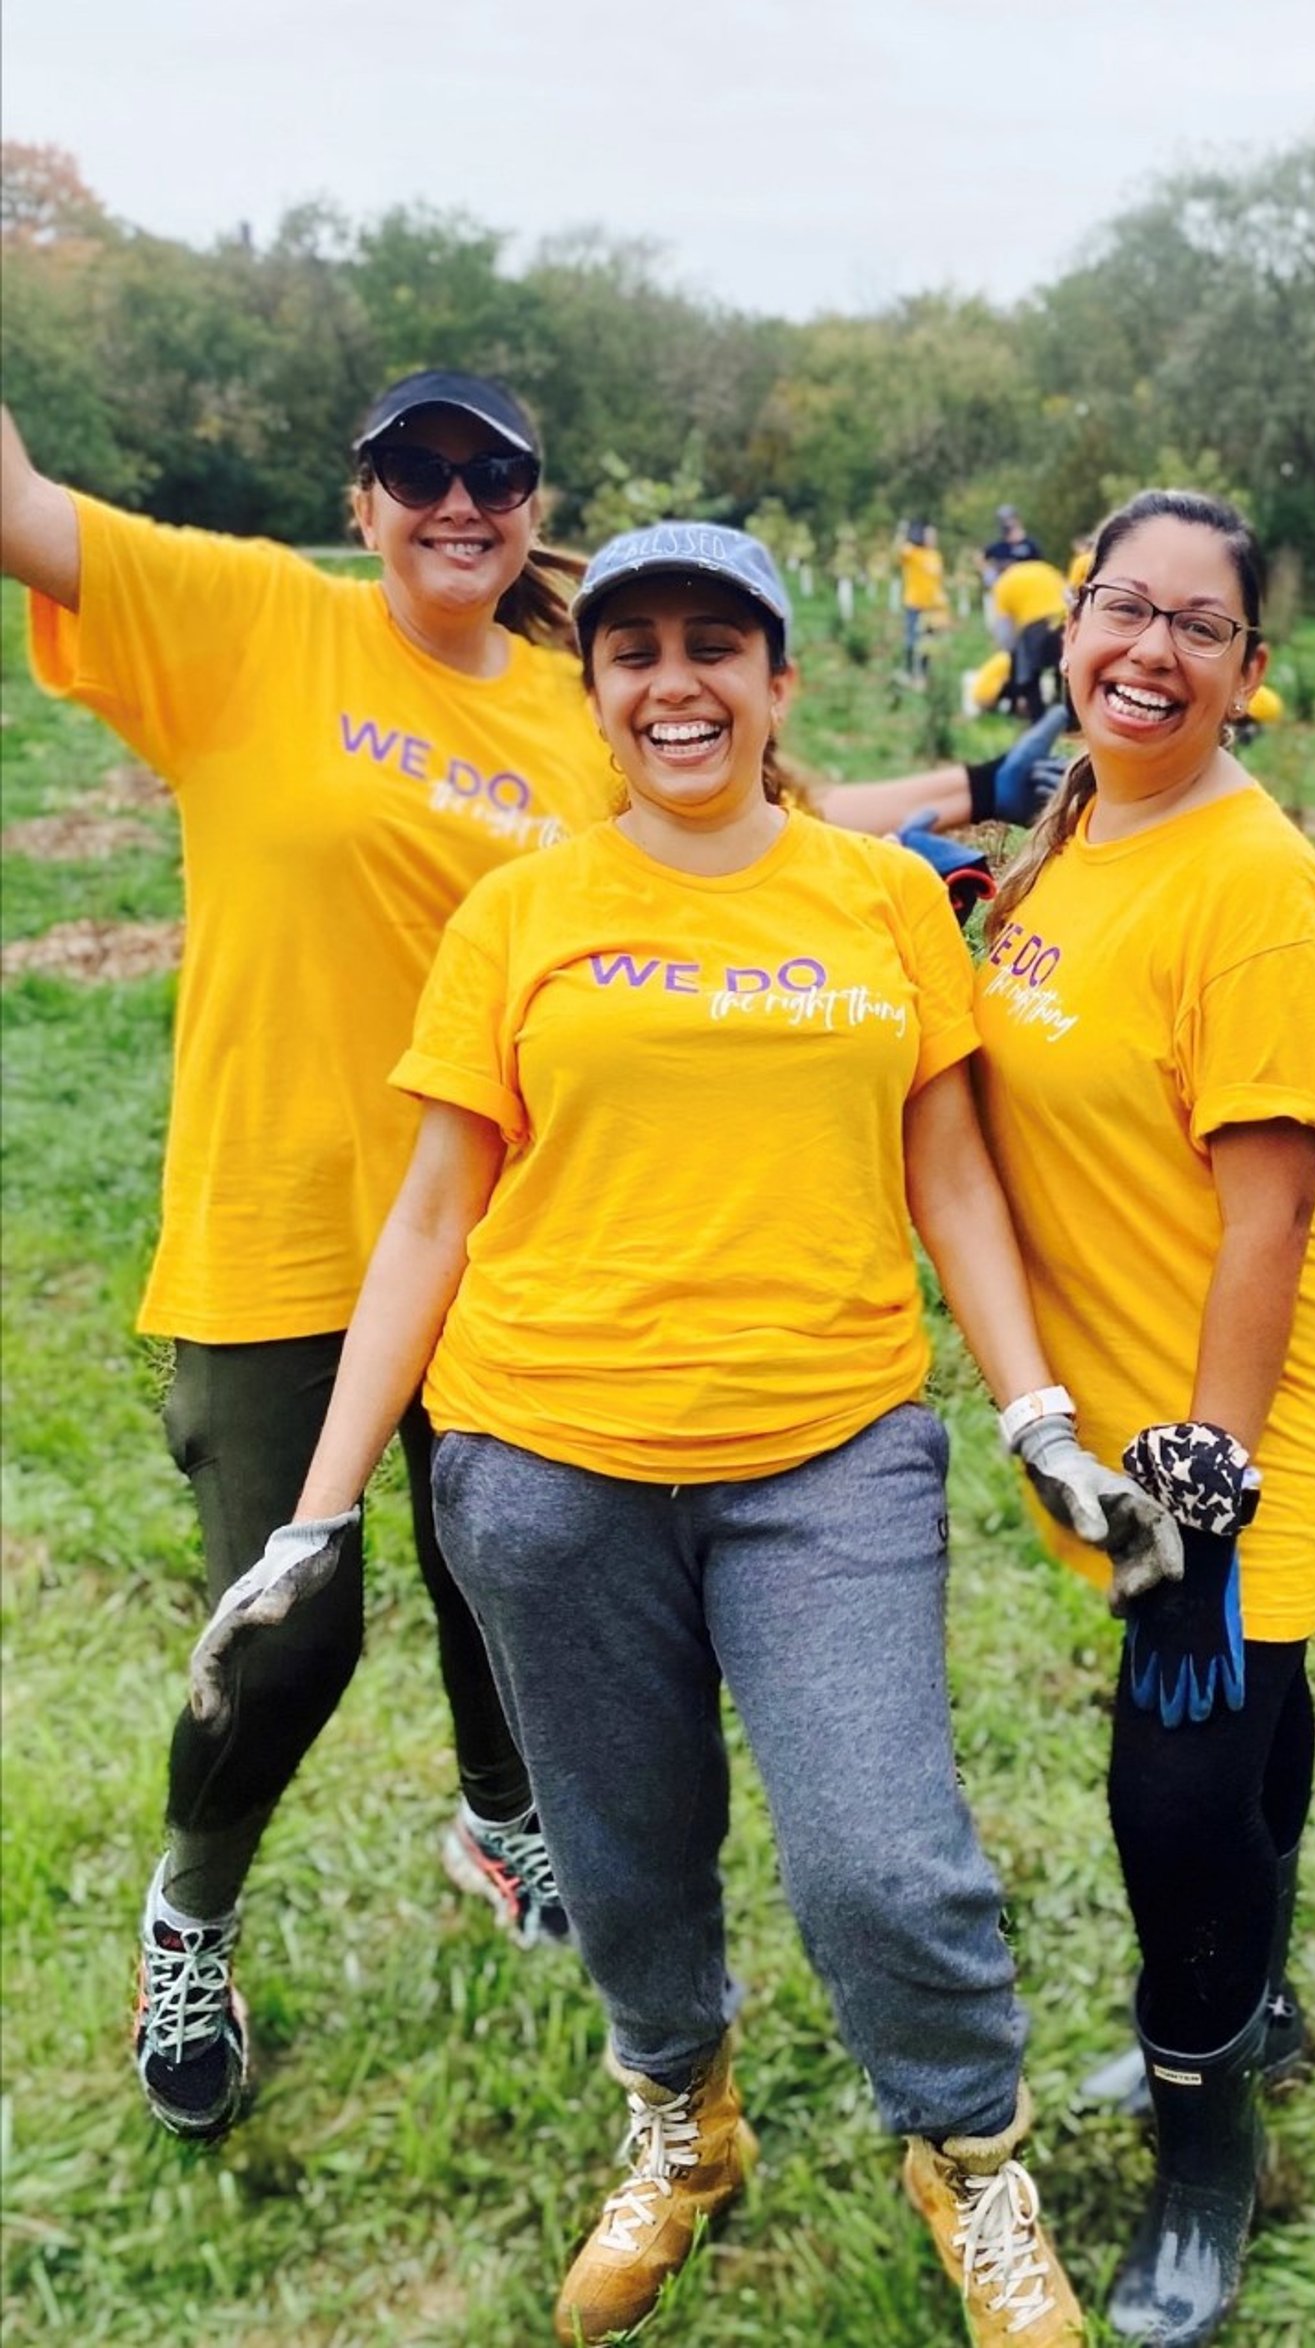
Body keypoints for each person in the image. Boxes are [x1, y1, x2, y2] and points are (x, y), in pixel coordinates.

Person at [0, 391, 1070, 2145]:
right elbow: (20, 502)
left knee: (516, 1572)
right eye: (416, 470)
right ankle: (189, 1912)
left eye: (493, 473)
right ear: (364, 498)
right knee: (288, 1633)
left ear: (531, 502)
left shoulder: (581, 711)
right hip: (293, 1233)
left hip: (530, 1243)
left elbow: (767, 823)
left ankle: (504, 1817)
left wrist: (976, 792)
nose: (456, 500)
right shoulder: (244, 609)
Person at [265, 520, 1184, 2344]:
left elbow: (953, 1174)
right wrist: (315, 1517)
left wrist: (1037, 1412)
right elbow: (435, 1214)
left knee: (881, 1855)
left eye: (713, 646)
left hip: (825, 1452)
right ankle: (681, 2121)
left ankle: (970, 2162)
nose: (672, 682)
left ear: (775, 682)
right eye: (632, 654)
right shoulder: (519, 911)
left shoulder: (877, 897)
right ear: (597, 693)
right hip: (544, 1462)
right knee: (620, 1843)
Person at [973, 489, 1315, 2347]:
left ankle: (1204, 2136)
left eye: (1199, 627)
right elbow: (944, 822)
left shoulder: (1257, 886)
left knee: (1176, 1773)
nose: (1149, 650)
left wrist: (1200, 1467)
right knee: (1254, 1710)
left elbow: (1276, 1211)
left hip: (1255, 1385)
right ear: (1070, 626)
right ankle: (1267, 2003)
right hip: (1147, 1368)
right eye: (1120, 610)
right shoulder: (1076, 808)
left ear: (1248, 670)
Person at [989, 555, 1070, 722]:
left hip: (1035, 627)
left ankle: (1038, 720)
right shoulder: (1045, 568)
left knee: (1029, 676)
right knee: (1065, 672)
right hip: (1065, 620)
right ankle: (1071, 718)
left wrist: (1011, 652)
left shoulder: (1003, 583)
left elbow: (1005, 631)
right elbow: (1068, 593)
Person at [896, 518, 948, 678]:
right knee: (912, 639)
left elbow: (938, 581)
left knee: (928, 643)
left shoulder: (936, 556)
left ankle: (924, 674)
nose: (933, 539)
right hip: (915, 603)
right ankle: (909, 671)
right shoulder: (913, 552)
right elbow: (899, 550)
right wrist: (902, 532)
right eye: (929, 536)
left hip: (931, 606)